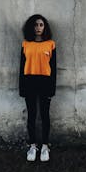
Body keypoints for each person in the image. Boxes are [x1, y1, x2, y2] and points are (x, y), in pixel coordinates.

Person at [19, 14, 57, 162]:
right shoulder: (25, 44)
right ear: (31, 27)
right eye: (35, 25)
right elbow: (22, 67)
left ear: (45, 27)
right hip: (29, 82)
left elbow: (53, 69)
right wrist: (22, 88)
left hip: (45, 82)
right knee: (32, 116)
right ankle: (33, 146)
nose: (38, 28)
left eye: (41, 25)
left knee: (45, 115)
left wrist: (52, 89)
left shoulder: (51, 44)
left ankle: (45, 146)